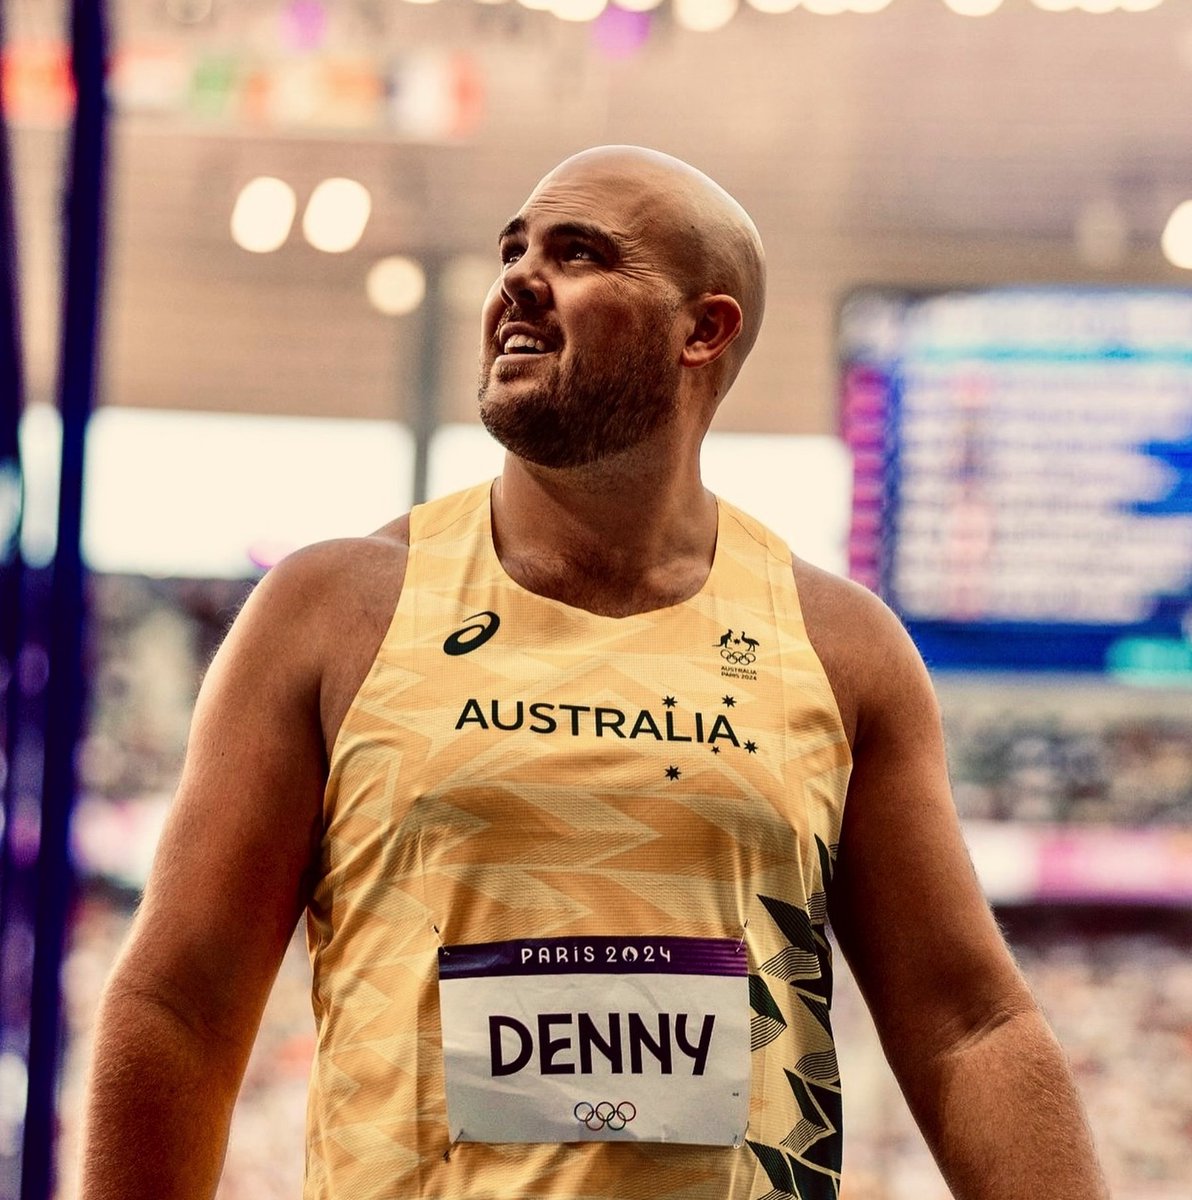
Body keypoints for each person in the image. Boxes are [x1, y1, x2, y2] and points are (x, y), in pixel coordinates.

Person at [80, 146, 1108, 1200]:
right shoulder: (332, 613)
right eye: (512, 250)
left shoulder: (837, 646)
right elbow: (180, 1005)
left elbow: (967, 1026)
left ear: (702, 330)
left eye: (578, 254)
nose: (519, 279)